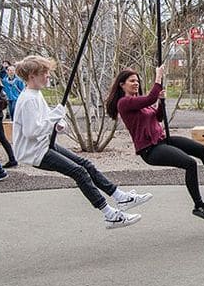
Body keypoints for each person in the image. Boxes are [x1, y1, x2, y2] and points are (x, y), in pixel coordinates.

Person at [12, 55, 150, 229]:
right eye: (45, 73)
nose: (48, 76)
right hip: (34, 152)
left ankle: (119, 196)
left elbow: (46, 120)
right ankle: (109, 214)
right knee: (79, 172)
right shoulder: (28, 99)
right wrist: (56, 116)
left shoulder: (36, 94)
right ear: (32, 75)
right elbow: (31, 131)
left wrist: (58, 123)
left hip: (44, 144)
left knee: (85, 164)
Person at [106, 65, 204, 221]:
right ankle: (199, 206)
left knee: (203, 150)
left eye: (137, 81)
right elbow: (150, 98)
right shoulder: (124, 103)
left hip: (163, 140)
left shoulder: (140, 103)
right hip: (150, 150)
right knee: (190, 164)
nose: (136, 83)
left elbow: (158, 117)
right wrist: (158, 77)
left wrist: (161, 102)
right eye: (132, 81)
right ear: (122, 84)